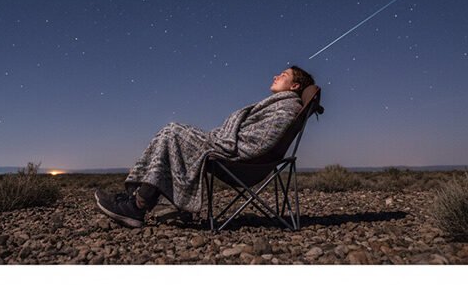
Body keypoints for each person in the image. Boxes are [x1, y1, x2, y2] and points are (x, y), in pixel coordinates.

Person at [94, 65, 315, 228]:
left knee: (172, 131)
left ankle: (137, 206)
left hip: (235, 157)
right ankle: (153, 201)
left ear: (294, 86)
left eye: (283, 75)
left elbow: (258, 144)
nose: (276, 75)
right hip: (230, 148)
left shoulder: (286, 108)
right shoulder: (280, 105)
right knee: (172, 133)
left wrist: (225, 142)